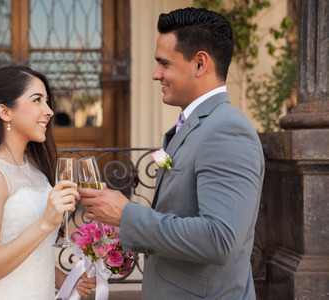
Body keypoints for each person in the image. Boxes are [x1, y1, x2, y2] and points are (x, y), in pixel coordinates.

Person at [79, 7, 265, 299]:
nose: (156, 75)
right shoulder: (195, 125)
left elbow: (219, 239)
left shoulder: (227, 130)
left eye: (163, 63)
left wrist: (126, 215)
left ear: (200, 63)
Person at [0, 66, 95, 299]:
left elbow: (33, 253)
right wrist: (45, 222)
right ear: (5, 111)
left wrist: (64, 281)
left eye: (47, 101)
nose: (49, 111)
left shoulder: (33, 168)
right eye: (37, 100)